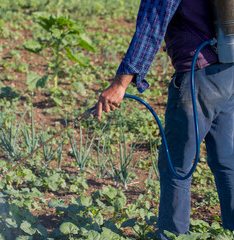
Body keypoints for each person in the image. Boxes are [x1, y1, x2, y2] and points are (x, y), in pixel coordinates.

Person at [96, 0, 234, 239]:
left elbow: (151, 27)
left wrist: (120, 84)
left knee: (176, 165)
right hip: (228, 72)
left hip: (198, 75)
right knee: (226, 161)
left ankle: (173, 236)